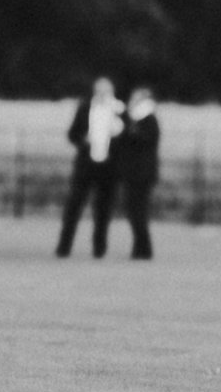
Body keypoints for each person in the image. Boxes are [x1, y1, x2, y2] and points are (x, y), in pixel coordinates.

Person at [57, 77, 124, 259]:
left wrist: (118, 134)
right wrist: (82, 140)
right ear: (95, 91)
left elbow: (128, 140)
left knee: (103, 210)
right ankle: (64, 247)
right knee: (73, 207)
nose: (103, 94)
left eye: (106, 90)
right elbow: (72, 134)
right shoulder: (84, 108)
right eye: (99, 90)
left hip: (109, 168)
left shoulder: (119, 110)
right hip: (85, 167)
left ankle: (99, 249)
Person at [112, 87, 160, 261]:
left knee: (138, 211)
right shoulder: (138, 120)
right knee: (134, 212)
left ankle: (143, 249)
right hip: (134, 174)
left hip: (141, 175)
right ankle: (139, 247)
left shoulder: (148, 120)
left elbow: (139, 140)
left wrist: (125, 119)